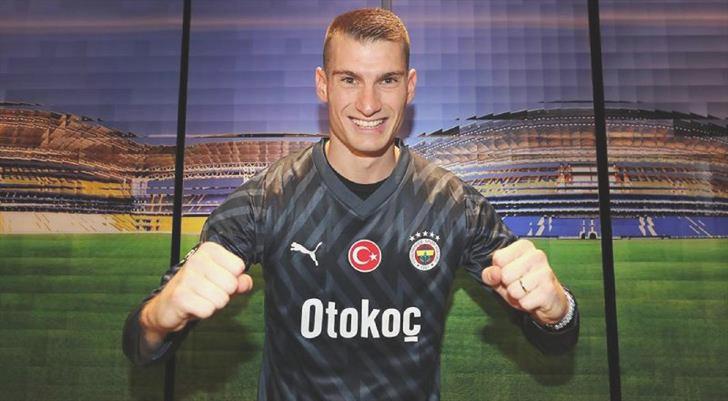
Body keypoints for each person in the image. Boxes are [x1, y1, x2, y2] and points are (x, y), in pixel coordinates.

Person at [123, 8, 579, 400]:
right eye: (349, 79)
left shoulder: (453, 203)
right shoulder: (265, 199)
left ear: (410, 86)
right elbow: (139, 346)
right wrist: (159, 317)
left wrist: (558, 311)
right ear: (323, 85)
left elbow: (556, 340)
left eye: (387, 80)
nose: (368, 103)